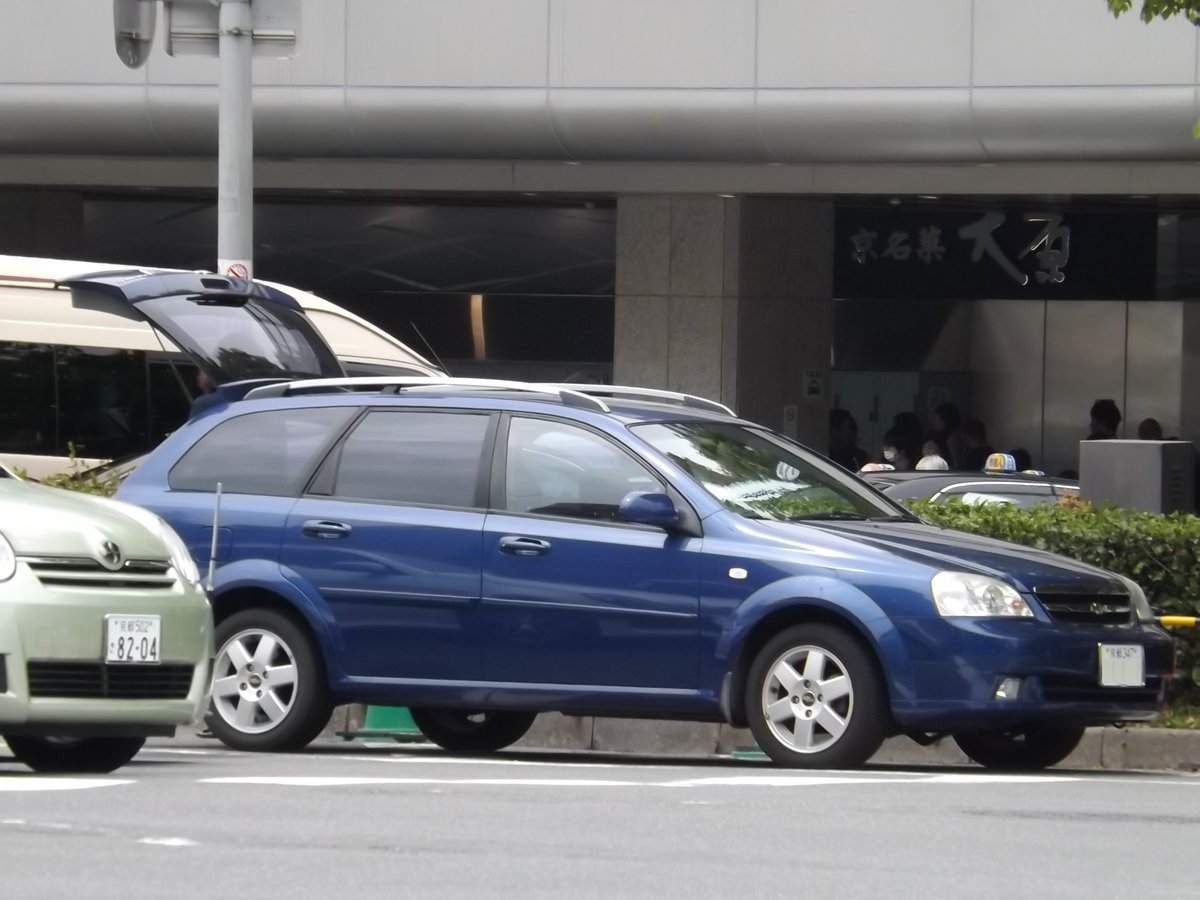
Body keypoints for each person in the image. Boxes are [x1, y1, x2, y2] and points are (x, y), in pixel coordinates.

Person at [828, 408, 871, 472]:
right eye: (846, 429)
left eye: (850, 429)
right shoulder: (824, 454)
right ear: (835, 429)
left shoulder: (857, 456)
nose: (849, 433)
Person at [931, 402, 966, 469]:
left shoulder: (953, 438)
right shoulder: (947, 436)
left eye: (935, 418)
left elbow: (956, 464)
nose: (933, 422)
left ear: (944, 420)